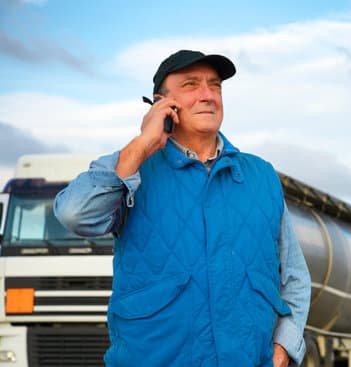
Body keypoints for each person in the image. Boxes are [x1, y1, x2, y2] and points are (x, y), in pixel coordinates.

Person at [54, 50, 311, 367]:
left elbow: (295, 278)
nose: (208, 96)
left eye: (214, 86)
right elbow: (74, 214)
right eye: (191, 85)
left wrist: (284, 347)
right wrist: (143, 142)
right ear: (162, 102)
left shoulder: (261, 176)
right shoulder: (132, 167)